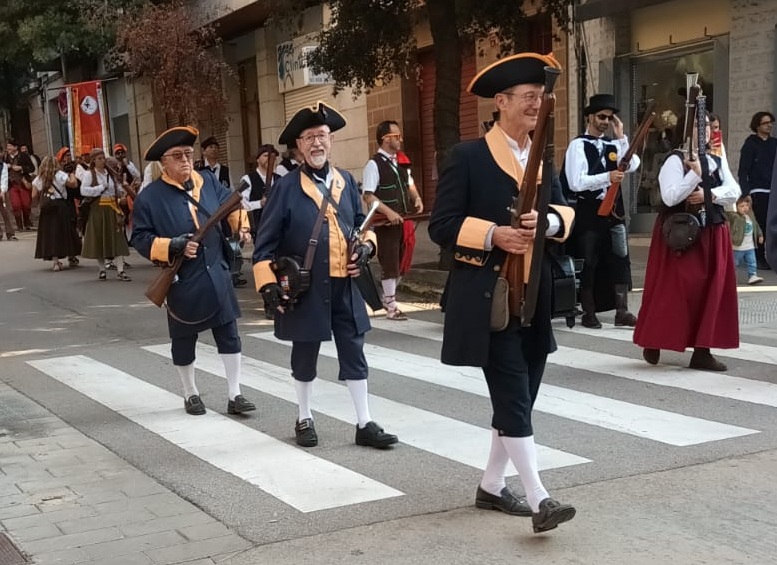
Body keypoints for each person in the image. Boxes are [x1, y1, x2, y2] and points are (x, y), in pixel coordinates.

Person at [428, 53, 576, 534]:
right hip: (490, 297)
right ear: (501, 102)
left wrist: (548, 222)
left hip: (537, 295)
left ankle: (492, 486)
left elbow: (564, 212)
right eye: (529, 97)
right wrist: (495, 234)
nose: (538, 105)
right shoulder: (468, 156)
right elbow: (443, 225)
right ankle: (540, 498)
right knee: (513, 393)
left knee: (520, 399)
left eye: (541, 97)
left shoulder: (544, 154)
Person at [252, 101, 398, 450]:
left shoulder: (345, 181)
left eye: (322, 136)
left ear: (330, 141)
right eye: (309, 138)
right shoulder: (285, 189)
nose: (317, 144)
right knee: (304, 354)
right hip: (307, 288)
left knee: (354, 351)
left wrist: (366, 249)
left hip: (346, 284)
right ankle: (304, 417)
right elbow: (264, 246)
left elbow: (362, 229)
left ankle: (364, 422)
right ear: (299, 146)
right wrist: (269, 286)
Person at [132, 126, 256, 417]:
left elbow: (232, 206)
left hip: (217, 270)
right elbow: (140, 238)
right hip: (183, 277)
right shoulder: (149, 198)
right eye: (178, 156)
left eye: (189, 154)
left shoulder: (209, 181)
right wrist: (173, 245)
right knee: (183, 339)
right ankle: (190, 393)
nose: (186, 161)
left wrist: (243, 227)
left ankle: (235, 394)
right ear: (164, 162)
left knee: (229, 333)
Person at [634, 111, 741, 371]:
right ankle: (655, 338)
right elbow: (670, 198)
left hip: (712, 230)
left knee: (711, 292)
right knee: (675, 292)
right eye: (698, 124)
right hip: (680, 235)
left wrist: (710, 194)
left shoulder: (716, 157)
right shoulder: (675, 159)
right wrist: (694, 174)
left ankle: (702, 350)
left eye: (706, 125)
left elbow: (734, 192)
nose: (704, 129)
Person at [563, 94, 640, 328]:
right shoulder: (578, 145)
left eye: (609, 117)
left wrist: (622, 137)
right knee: (590, 261)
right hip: (590, 212)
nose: (605, 121)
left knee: (620, 259)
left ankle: (622, 311)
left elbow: (634, 164)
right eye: (601, 116)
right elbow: (576, 182)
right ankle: (589, 312)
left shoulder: (612, 145)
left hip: (614, 213)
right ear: (590, 117)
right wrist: (607, 177)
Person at [361, 120, 424, 320]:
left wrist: (417, 198)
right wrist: (388, 212)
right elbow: (369, 196)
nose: (400, 140)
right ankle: (391, 305)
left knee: (403, 261)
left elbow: (410, 184)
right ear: (384, 139)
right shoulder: (373, 164)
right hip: (385, 224)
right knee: (390, 263)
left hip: (404, 220)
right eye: (396, 136)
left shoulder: (402, 162)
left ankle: (388, 297)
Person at [79, 148, 132, 281]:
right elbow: (83, 190)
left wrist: (122, 192)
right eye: (99, 159)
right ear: (93, 161)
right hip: (98, 209)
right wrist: (100, 188)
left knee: (118, 239)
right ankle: (102, 270)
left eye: (103, 158)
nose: (102, 161)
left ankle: (120, 271)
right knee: (99, 239)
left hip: (113, 209)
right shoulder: (89, 174)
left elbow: (117, 189)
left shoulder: (110, 174)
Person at [737, 111, 776, 270]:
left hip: (773, 190)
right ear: (757, 126)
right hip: (757, 191)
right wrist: (746, 192)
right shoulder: (750, 145)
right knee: (760, 225)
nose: (769, 125)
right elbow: (743, 171)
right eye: (765, 123)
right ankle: (760, 257)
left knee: (772, 225)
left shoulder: (774, 143)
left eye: (771, 122)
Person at [33, 156, 82, 270]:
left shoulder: (39, 178)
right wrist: (72, 174)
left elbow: (33, 195)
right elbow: (73, 184)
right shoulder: (60, 175)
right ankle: (71, 255)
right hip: (60, 206)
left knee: (50, 234)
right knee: (65, 231)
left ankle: (55, 262)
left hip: (46, 208)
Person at [239, 144, 280, 243]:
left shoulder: (280, 179)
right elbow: (241, 204)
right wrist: (259, 203)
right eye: (266, 156)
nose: (269, 159)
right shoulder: (247, 179)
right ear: (257, 159)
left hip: (279, 229)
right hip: (259, 229)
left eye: (272, 156)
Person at [726, 195, 764, 285]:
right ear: (736, 207)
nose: (745, 208)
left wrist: (760, 235)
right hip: (737, 247)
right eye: (742, 206)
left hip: (750, 246)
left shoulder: (750, 216)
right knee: (734, 264)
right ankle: (731, 278)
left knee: (752, 262)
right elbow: (728, 214)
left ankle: (752, 276)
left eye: (747, 205)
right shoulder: (735, 217)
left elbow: (756, 225)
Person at [4, 138, 35, 231]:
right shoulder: (6, 158)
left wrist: (21, 168)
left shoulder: (23, 156)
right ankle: (19, 225)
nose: (8, 148)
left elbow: (32, 168)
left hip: (23, 183)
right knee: (16, 205)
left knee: (26, 205)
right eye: (7, 146)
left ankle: (27, 222)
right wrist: (6, 167)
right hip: (12, 184)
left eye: (10, 146)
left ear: (15, 147)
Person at [0, 161, 18, 240]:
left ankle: (10, 233)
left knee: (6, 211)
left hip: (1, 189)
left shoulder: (2, 165)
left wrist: (3, 191)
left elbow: (4, 178)